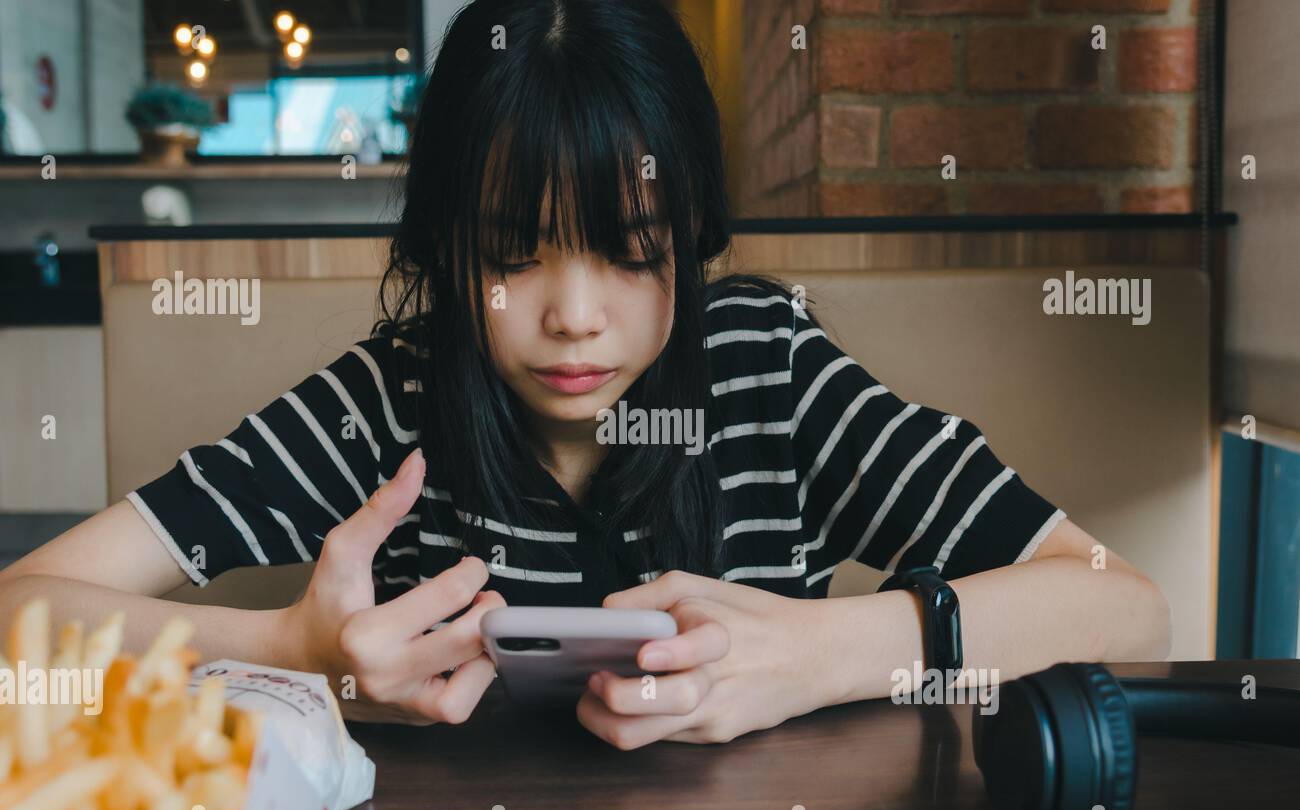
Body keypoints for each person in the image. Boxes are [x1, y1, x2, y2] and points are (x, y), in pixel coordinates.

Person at [0, 0, 1170, 748]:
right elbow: (16, 617)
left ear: (694, 238)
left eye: (629, 252)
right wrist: (295, 654)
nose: (570, 318)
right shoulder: (391, 400)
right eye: (511, 254)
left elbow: (1126, 606)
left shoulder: (769, 369)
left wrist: (819, 655)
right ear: (445, 248)